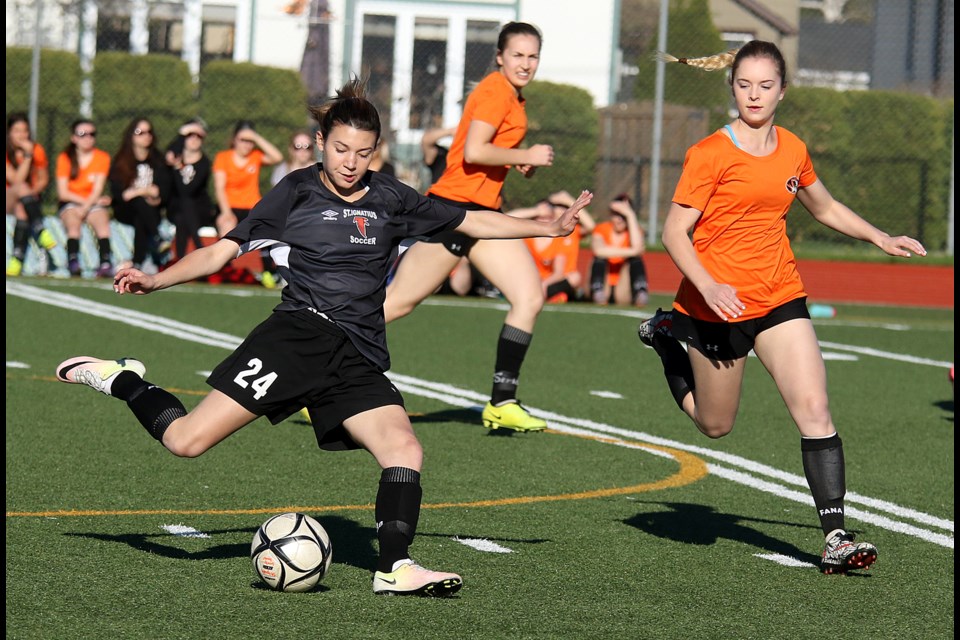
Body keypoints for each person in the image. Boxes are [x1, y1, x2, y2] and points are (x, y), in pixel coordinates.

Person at [54, 77, 592, 597]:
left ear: (376, 152)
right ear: (320, 143)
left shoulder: (391, 197)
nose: (350, 163)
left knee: (404, 448)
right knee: (186, 441)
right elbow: (224, 248)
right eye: (340, 149)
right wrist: (158, 278)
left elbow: (469, 221)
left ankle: (395, 566)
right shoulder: (295, 191)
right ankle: (123, 380)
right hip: (297, 337)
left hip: (357, 354)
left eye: (362, 153)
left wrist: (547, 227)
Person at [637, 40, 927, 574]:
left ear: (782, 91)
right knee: (715, 425)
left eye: (765, 86)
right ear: (732, 87)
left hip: (778, 298)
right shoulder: (709, 153)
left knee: (814, 409)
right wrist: (708, 284)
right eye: (745, 84)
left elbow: (825, 206)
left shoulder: (792, 148)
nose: (754, 94)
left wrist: (880, 237)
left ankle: (835, 537)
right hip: (712, 308)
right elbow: (673, 232)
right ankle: (663, 339)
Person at [384, 22, 557, 432]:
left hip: (482, 215)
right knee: (397, 304)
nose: (526, 63)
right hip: (454, 211)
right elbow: (476, 150)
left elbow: (483, 152)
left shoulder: (513, 97)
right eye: (518, 54)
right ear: (500, 56)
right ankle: (313, 376)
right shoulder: (495, 91)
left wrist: (518, 158)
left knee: (529, 296)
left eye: (532, 56)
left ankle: (502, 401)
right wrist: (523, 152)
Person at [213, 120, 283, 288]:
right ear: (234, 140)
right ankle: (224, 269)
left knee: (267, 230)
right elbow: (219, 187)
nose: (247, 144)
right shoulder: (223, 157)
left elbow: (277, 157)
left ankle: (269, 273)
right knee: (226, 227)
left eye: (250, 141)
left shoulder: (256, 156)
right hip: (229, 207)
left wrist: (256, 138)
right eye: (243, 139)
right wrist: (225, 212)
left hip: (252, 208)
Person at [110, 117, 172, 272]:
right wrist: (145, 191)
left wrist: (139, 192)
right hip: (125, 210)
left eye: (149, 132)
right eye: (140, 132)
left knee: (141, 214)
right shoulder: (121, 161)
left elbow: (161, 192)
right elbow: (121, 195)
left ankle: (137, 262)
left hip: (151, 209)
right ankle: (157, 240)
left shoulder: (158, 160)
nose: (146, 136)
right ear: (131, 136)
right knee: (139, 204)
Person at [56, 118, 114, 277]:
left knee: (102, 223)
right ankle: (73, 260)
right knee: (73, 224)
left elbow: (98, 189)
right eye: (82, 134)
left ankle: (105, 261)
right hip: (72, 202)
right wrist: (86, 204)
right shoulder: (65, 158)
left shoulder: (102, 157)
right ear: (74, 138)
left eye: (92, 134)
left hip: (91, 202)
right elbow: (63, 192)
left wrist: (88, 206)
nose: (88, 138)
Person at [520, 191, 596, 303]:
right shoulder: (530, 231)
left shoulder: (567, 232)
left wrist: (569, 201)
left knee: (574, 277)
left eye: (564, 207)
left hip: (558, 279)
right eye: (556, 206)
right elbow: (507, 219)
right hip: (533, 278)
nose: (560, 210)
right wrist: (537, 210)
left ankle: (556, 295)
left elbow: (591, 226)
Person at [6, 111, 55, 276]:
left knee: (22, 208)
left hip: (26, 201)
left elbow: (43, 179)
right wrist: (27, 156)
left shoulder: (37, 150)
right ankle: (40, 229)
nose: (21, 135)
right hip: (8, 198)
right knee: (21, 188)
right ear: (9, 132)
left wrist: (30, 194)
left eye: (25, 130)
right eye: (17, 131)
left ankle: (16, 259)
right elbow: (15, 181)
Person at [165, 119, 214, 260]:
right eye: (189, 134)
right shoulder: (172, 157)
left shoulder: (204, 163)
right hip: (175, 209)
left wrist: (177, 167)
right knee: (181, 213)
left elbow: (187, 191)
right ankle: (199, 247)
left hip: (199, 211)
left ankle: (180, 260)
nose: (194, 139)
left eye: (198, 135)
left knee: (185, 208)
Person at [589, 193, 649, 306]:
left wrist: (630, 215)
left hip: (623, 286)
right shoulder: (601, 228)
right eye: (617, 214)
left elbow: (638, 248)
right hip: (604, 282)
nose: (620, 220)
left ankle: (640, 291)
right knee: (599, 259)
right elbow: (598, 251)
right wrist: (632, 251)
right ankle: (597, 291)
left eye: (624, 215)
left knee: (636, 260)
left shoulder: (634, 231)